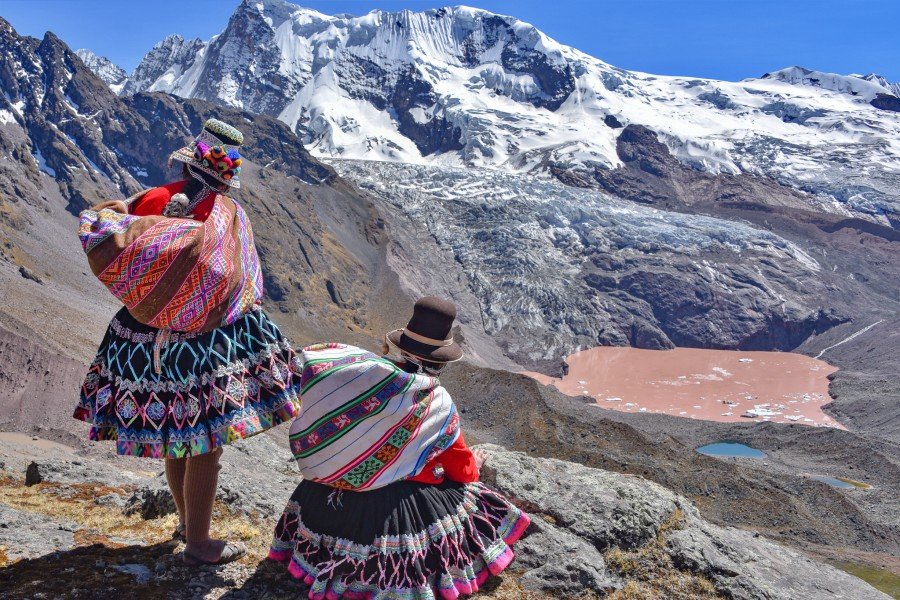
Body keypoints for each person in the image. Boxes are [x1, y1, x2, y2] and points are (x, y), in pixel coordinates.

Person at [75, 119, 302, 565]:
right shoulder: (228, 216)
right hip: (200, 345)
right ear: (228, 173)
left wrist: (161, 295)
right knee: (204, 443)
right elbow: (240, 280)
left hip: (139, 340)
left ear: (192, 160)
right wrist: (200, 303)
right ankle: (199, 544)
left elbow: (118, 244)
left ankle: (186, 525)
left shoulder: (152, 199)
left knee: (175, 436)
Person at [269, 297, 530, 599]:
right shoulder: (438, 402)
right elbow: (463, 472)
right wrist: (473, 463)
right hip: (391, 515)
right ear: (442, 362)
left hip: (328, 497)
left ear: (402, 348)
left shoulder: (361, 376)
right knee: (471, 501)